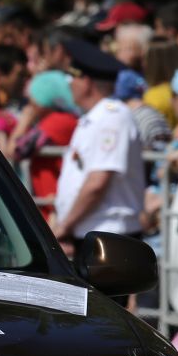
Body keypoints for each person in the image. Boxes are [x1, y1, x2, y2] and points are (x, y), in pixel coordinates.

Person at [52, 38, 147, 248]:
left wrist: (64, 226)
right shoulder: (92, 119)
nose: (68, 83)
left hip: (109, 238)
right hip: (89, 233)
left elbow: (97, 182)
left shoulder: (112, 117)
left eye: (72, 77)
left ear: (86, 82)